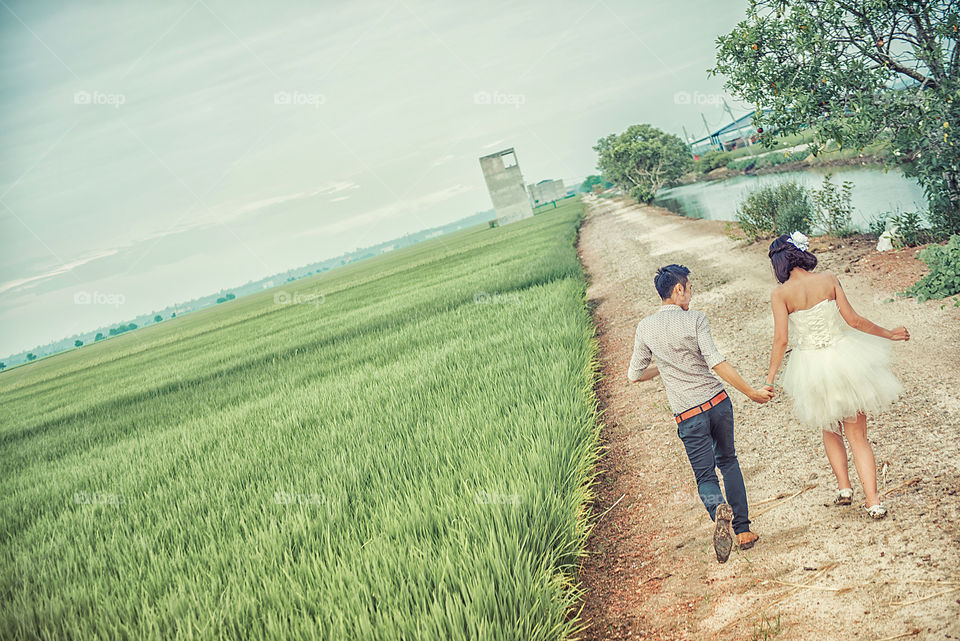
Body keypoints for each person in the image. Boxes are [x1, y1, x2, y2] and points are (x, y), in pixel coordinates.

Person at [628, 264, 773, 563]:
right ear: (678, 290)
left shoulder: (645, 327)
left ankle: (717, 508)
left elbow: (634, 375)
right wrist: (751, 392)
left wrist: (665, 368)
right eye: (690, 289)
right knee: (728, 461)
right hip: (717, 402)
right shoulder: (695, 320)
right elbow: (716, 363)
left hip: (688, 414)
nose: (691, 295)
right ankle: (744, 530)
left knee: (705, 476)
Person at [762, 232, 909, 519]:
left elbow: (781, 340)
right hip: (845, 359)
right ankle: (873, 501)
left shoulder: (780, 294)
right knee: (858, 436)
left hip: (812, 367)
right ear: (799, 253)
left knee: (829, 427)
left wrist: (769, 380)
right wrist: (889, 333)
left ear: (779, 263)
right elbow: (853, 320)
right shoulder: (829, 279)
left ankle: (844, 488)